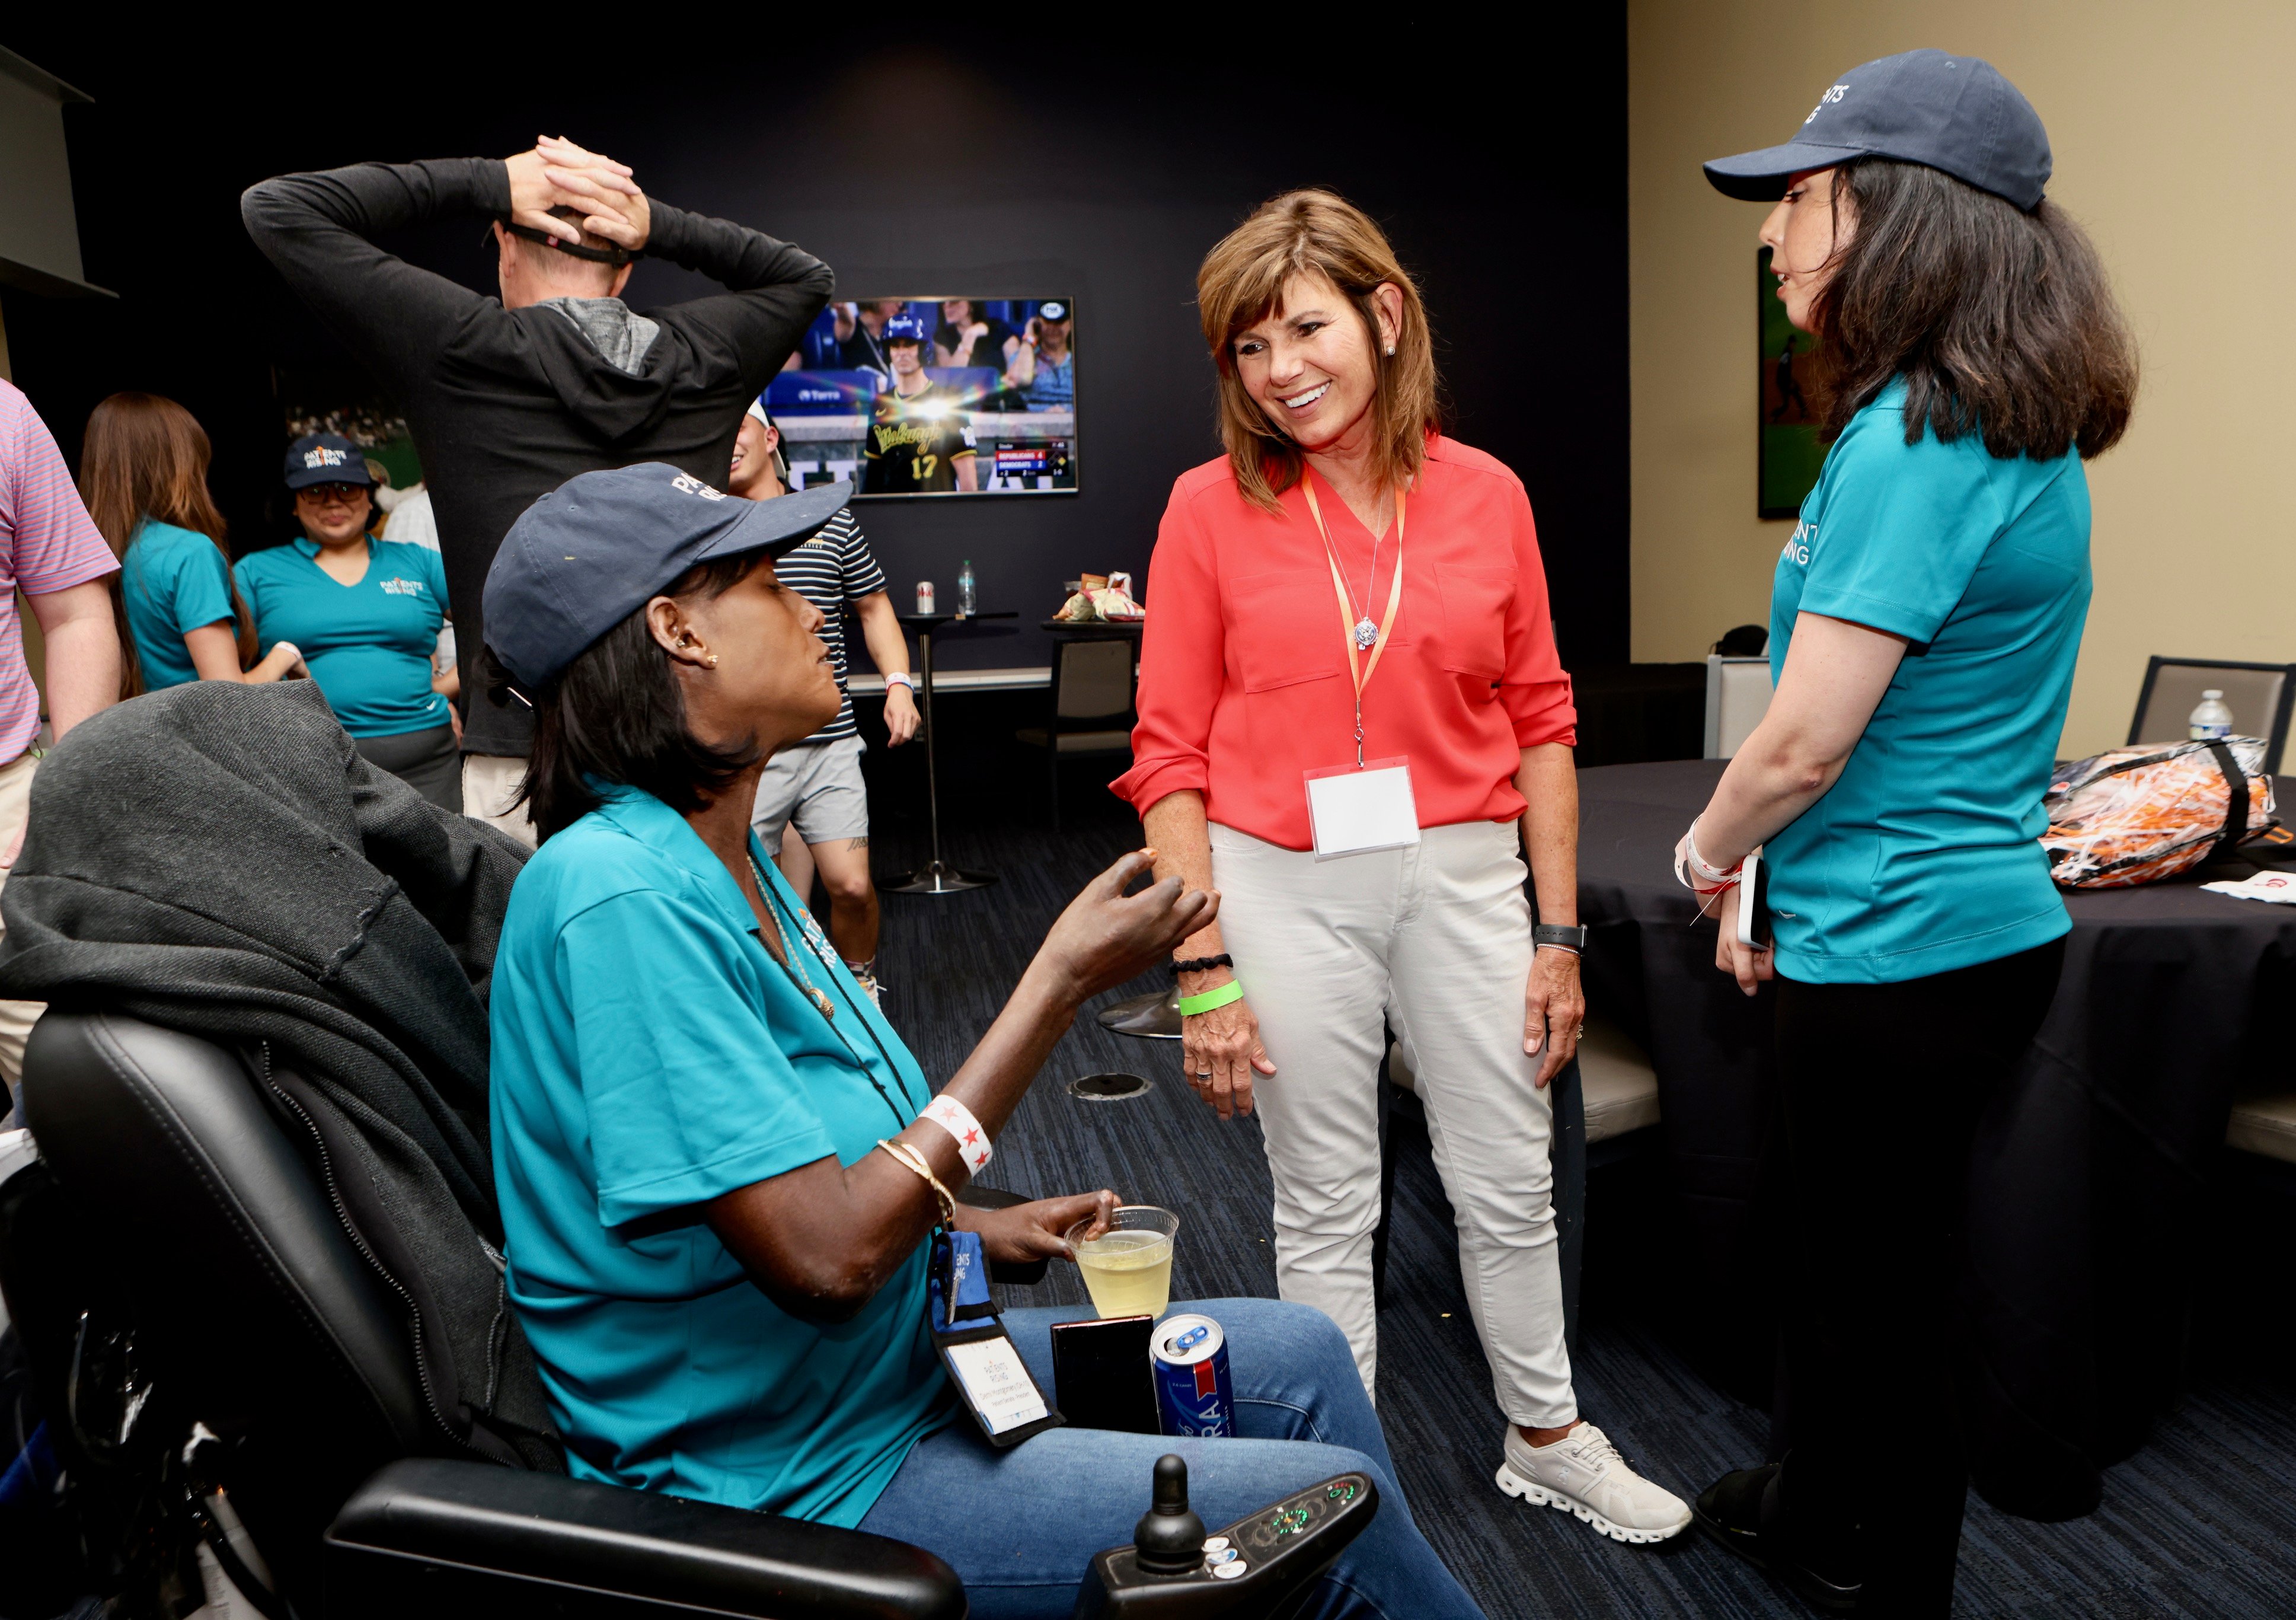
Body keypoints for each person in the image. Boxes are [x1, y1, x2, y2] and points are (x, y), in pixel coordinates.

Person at [481, 461, 1490, 1620]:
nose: (813, 609)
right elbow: (824, 1257)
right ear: (676, 633)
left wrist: (964, 1221)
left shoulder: (728, 854)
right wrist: (1053, 984)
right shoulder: (619, 895)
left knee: (1302, 1353)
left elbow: (759, 1177)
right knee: (1327, 1512)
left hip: (897, 1371)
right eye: (766, 584)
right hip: (800, 1479)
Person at [1112, 190, 1691, 1546]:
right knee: (1323, 1188)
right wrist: (1202, 968)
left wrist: (1559, 935)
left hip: (1463, 866)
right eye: (1247, 349)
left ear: (1382, 317)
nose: (1280, 370)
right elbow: (1166, 751)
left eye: (1304, 328)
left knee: (1505, 1174)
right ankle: (1343, 1469)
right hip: (1277, 873)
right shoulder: (1208, 508)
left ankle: (1545, 1434)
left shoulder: (1486, 493)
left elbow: (1544, 723)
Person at [1682, 52, 2138, 1618]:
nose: (1772, 238)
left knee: (1878, 1295)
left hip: (1904, 951)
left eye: (1800, 202)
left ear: (1901, 221)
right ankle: (1826, 1507)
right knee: (1865, 1271)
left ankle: (1886, 1571)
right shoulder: (1991, 424)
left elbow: (1802, 741)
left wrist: (1706, 852)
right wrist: (1771, 886)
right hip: (1934, 928)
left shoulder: (1918, 442)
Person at [244, 133, 834, 847]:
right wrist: (657, 222)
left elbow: (278, 208)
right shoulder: (707, 356)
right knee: (688, 949)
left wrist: (488, 180)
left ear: (505, 248)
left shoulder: (459, 346)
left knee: (525, 955)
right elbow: (803, 276)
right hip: (682, 737)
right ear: (623, 273)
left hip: (522, 758)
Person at [727, 400, 917, 996]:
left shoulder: (828, 519)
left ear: (771, 435)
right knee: (743, 894)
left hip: (830, 741)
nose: (728, 443)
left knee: (853, 886)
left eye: (741, 430)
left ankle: (861, 985)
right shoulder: (711, 529)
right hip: (749, 750)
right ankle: (776, 1001)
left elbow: (873, 605)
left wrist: (898, 683)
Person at [0, 379, 122, 1102]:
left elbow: (76, 613)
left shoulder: (5, 413)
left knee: (87, 1095)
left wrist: (65, 794)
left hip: (11, 805)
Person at [235, 434, 461, 809]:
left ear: (368, 497)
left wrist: (443, 690)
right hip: (311, 766)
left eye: (346, 488)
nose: (334, 501)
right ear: (294, 503)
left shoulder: (418, 561)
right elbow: (222, 670)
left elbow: (494, 632)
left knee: (442, 866)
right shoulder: (256, 572)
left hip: (427, 763)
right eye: (316, 491)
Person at [77, 393, 305, 696]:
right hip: (194, 738)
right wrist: (285, 655)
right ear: (177, 467)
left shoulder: (87, 553)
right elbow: (226, 692)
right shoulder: (189, 553)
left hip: (128, 737)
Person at [860, 316, 980, 494]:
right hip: (893, 512)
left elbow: (968, 481)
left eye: (909, 344)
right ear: (888, 351)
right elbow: (873, 477)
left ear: (923, 349)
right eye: (895, 345)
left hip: (937, 511)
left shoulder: (949, 401)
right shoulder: (880, 404)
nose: (902, 353)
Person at [1008, 299, 1076, 411]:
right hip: (1032, 423)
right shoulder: (1023, 356)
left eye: (1059, 322)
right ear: (1038, 323)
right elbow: (1019, 379)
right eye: (1048, 322)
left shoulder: (1080, 360)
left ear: (1069, 324)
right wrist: (1029, 337)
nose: (1053, 328)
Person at [933, 298, 1019, 372]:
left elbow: (1017, 372)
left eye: (954, 301)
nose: (946, 306)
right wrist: (970, 336)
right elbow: (950, 379)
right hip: (961, 391)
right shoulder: (941, 338)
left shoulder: (1000, 329)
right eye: (943, 302)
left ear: (971, 303)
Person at [833, 298, 908, 380]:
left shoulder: (892, 333)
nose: (900, 304)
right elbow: (844, 325)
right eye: (894, 299)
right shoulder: (851, 328)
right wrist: (842, 311)